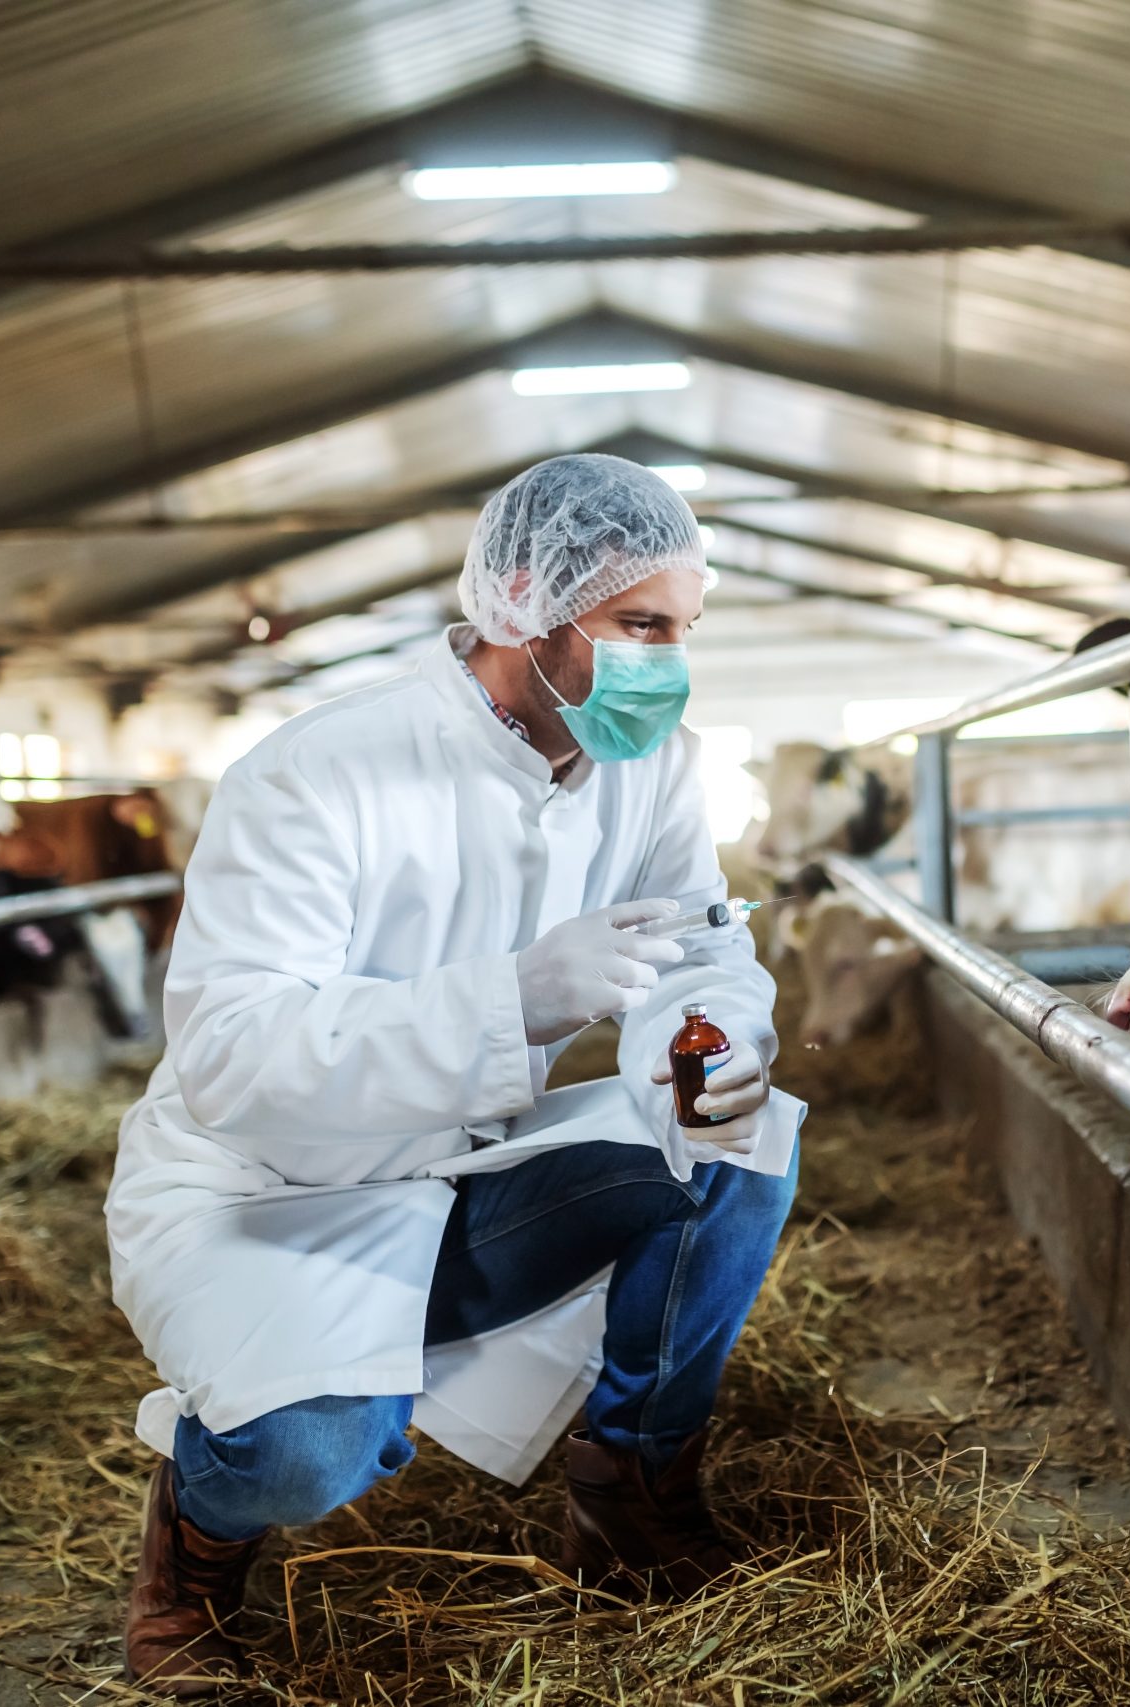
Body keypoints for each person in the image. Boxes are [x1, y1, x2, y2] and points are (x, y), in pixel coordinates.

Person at [106, 454, 802, 1695]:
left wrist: (715, 1045)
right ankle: (194, 1545)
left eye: (685, 630)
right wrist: (511, 1000)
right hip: (268, 1189)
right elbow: (228, 1054)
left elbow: (702, 951)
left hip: (471, 1168)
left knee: (744, 1142)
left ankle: (630, 1493)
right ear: (521, 602)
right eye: (639, 624)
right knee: (313, 1455)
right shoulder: (318, 773)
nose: (668, 662)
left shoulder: (656, 767)